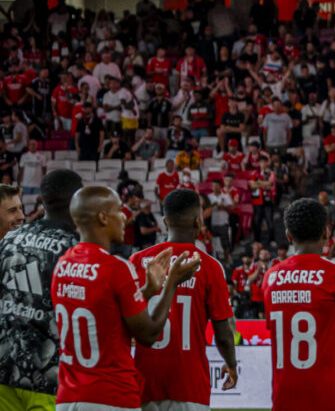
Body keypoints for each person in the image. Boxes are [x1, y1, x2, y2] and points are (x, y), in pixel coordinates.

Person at [51, 186, 201, 411]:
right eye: (118, 211)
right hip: (112, 396)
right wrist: (171, 283)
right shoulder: (116, 267)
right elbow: (148, 334)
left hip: (68, 397)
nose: (124, 217)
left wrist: (149, 290)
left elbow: (108, 316)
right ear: (103, 217)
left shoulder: (62, 265)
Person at [131, 189, 238, 410]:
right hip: (189, 385)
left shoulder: (137, 261)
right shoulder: (208, 266)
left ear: (164, 222)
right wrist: (231, 364)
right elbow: (224, 333)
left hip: (144, 384)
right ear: (199, 221)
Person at [263, 198, 335, 411]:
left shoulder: (271, 277)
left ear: (289, 236)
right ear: (326, 233)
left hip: (285, 398)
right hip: (330, 399)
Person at [0, 170, 82, 410]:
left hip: (4, 369)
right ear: (77, 200)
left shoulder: (10, 239)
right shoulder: (74, 249)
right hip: (47, 378)